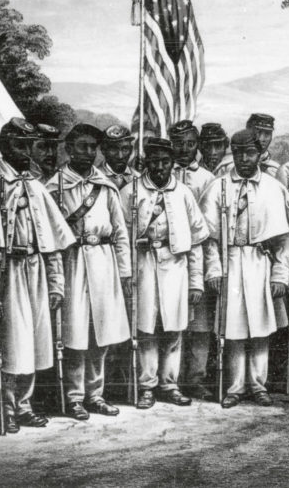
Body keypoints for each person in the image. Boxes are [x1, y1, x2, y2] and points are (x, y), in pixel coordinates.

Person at [0, 118, 76, 434]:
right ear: (4, 145)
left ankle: (25, 405)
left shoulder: (35, 186)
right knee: (10, 343)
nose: (24, 152)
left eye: (29, 145)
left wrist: (56, 282)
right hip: (5, 272)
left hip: (35, 271)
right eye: (18, 144)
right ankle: (5, 408)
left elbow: (53, 243)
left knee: (35, 340)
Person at [46, 123, 131, 420]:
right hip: (73, 262)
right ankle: (73, 398)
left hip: (104, 262)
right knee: (75, 333)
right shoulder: (54, 185)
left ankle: (96, 395)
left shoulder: (105, 185)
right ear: (69, 149)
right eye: (82, 146)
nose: (88, 152)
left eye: (93, 147)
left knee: (101, 334)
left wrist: (124, 272)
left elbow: (120, 231)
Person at [202, 129, 289, 409]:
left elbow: (283, 241)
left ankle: (258, 385)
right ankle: (236, 386)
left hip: (260, 261)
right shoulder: (218, 187)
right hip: (230, 262)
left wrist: (280, 274)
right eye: (238, 152)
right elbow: (209, 238)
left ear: (260, 153)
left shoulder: (273, 188)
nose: (243, 158)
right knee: (234, 327)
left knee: (261, 329)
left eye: (249, 152)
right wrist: (214, 269)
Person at [120, 137, 209, 409]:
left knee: (173, 330)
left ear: (172, 163)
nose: (159, 168)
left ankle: (169, 385)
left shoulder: (183, 193)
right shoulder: (130, 191)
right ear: (146, 161)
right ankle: (146, 386)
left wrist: (196, 283)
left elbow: (196, 242)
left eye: (165, 162)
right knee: (146, 329)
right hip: (143, 267)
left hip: (176, 270)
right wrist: (127, 271)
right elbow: (120, 235)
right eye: (154, 161)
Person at [169, 120, 216, 400]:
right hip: (169, 257)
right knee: (173, 321)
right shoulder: (163, 173)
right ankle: (170, 379)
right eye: (178, 143)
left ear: (197, 145)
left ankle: (196, 378)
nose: (184, 149)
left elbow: (208, 229)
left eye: (189, 143)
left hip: (197, 254)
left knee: (200, 326)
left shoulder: (207, 179)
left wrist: (209, 269)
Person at [214, 113, 280, 177]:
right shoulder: (226, 167)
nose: (262, 139)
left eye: (267, 134)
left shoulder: (275, 170)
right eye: (258, 133)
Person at [100, 124, 140, 190]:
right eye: (114, 149)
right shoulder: (95, 177)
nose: (120, 156)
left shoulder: (138, 177)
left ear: (131, 150)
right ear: (103, 150)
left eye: (125, 149)